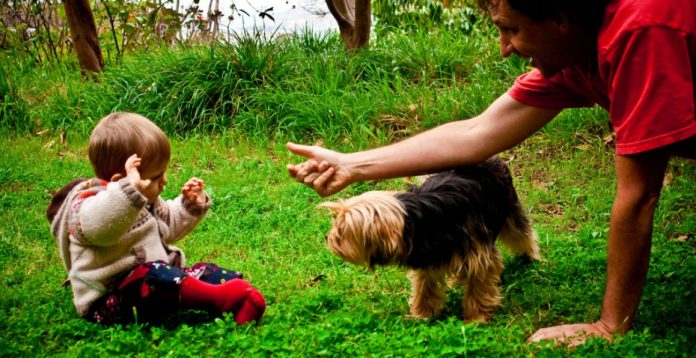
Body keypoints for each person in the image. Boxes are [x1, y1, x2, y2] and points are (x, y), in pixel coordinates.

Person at [286, 0, 696, 346]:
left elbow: (640, 195)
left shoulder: (641, 32)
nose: (504, 48)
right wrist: (351, 165)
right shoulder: (575, 54)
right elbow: (476, 133)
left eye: (510, 29)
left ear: (559, 18)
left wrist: (609, 325)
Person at [47, 112, 266, 325]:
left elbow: (168, 224)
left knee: (200, 271)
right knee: (156, 277)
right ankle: (216, 297)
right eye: (156, 176)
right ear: (123, 180)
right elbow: (101, 228)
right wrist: (128, 193)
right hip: (111, 299)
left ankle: (235, 293)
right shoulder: (89, 207)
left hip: (157, 278)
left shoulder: (144, 200)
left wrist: (189, 205)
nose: (165, 181)